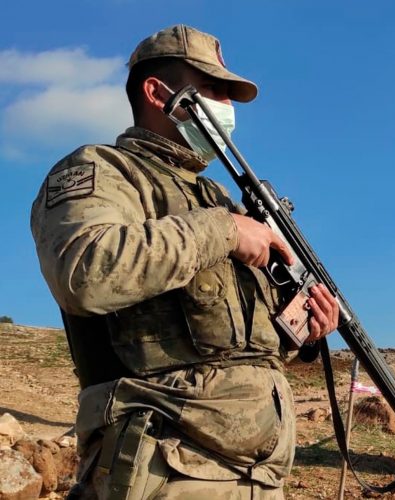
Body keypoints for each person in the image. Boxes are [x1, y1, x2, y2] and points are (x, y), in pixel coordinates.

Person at [30, 25, 339, 499]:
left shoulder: (216, 197)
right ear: (157, 93)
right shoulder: (101, 169)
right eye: (214, 90)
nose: (227, 108)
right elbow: (84, 272)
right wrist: (224, 231)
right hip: (165, 468)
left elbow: (244, 347)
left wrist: (305, 330)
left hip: (259, 477)